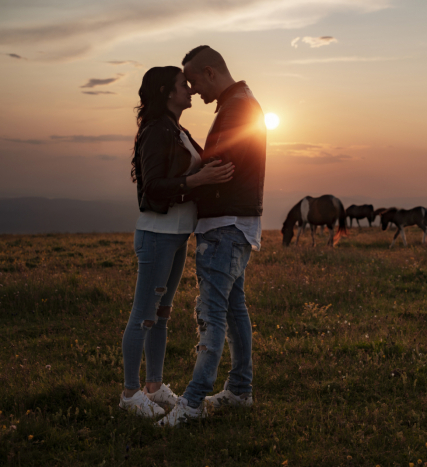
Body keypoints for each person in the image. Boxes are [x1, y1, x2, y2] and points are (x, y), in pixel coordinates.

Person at [155, 46, 266, 427]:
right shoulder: (240, 102)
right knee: (234, 309)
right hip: (235, 223)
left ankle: (192, 403)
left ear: (210, 72)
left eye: (194, 80)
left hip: (224, 225)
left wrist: (180, 186)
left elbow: (219, 167)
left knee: (210, 315)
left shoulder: (236, 109)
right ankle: (239, 391)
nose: (193, 89)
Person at [121, 66, 234, 417]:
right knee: (143, 315)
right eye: (183, 85)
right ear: (166, 92)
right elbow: (152, 186)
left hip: (176, 234)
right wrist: (196, 181)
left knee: (161, 315)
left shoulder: (176, 129)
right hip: (157, 234)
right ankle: (129, 395)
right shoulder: (157, 131)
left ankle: (153, 388)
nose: (189, 89)